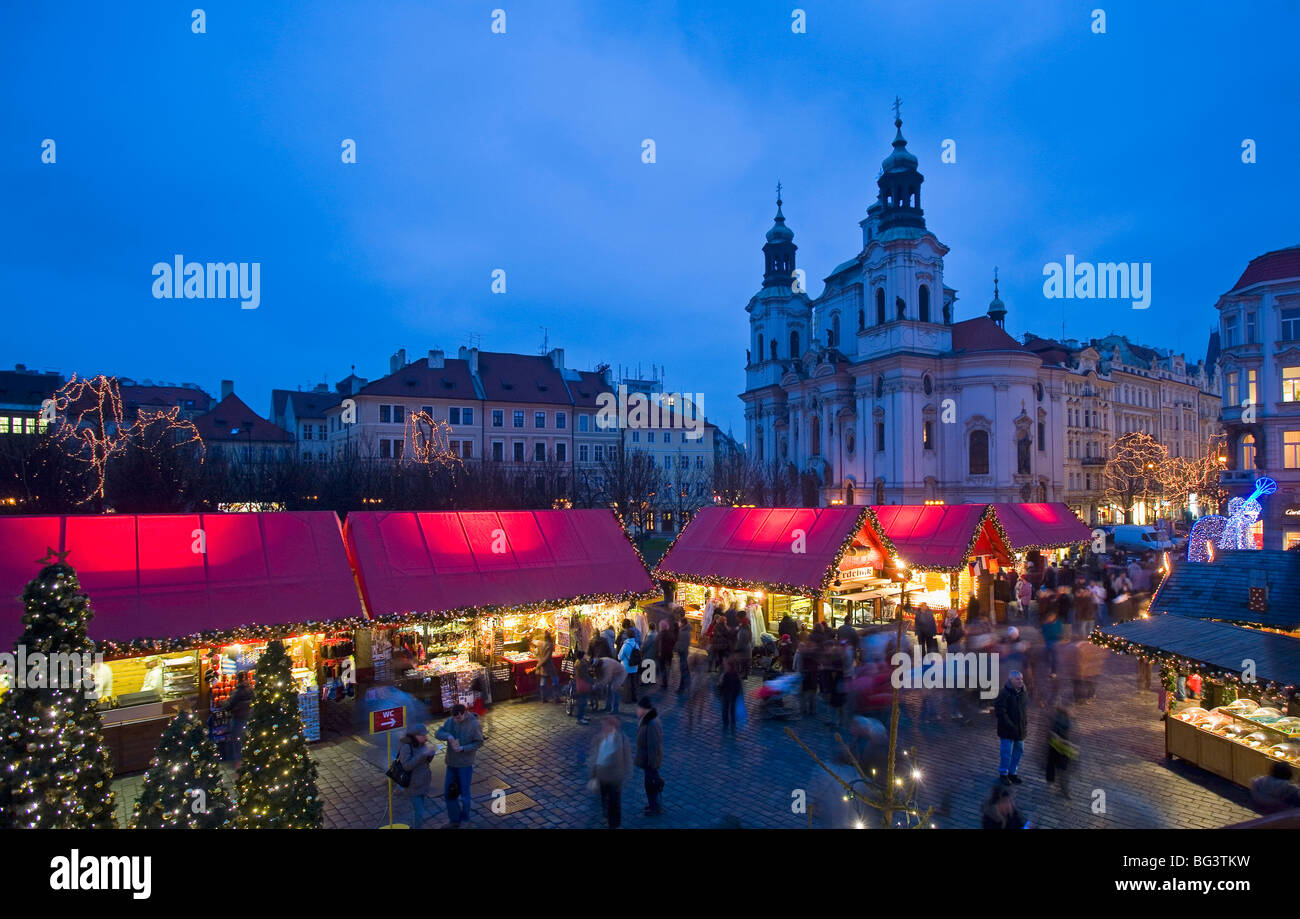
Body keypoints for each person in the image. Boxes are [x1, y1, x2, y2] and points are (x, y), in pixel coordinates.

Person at [434, 702, 483, 827]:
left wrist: (463, 748)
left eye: (458, 717)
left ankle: (465, 819)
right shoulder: (450, 721)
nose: (456, 720)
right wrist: (448, 736)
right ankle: (454, 819)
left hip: (465, 764)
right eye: (454, 718)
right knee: (448, 793)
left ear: (465, 713)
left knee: (464, 795)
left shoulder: (474, 724)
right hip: (451, 762)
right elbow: (438, 733)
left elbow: (478, 743)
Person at [589, 716, 632, 828]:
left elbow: (627, 758)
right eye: (602, 725)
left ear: (612, 726)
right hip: (602, 776)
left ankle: (614, 823)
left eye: (605, 725)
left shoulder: (621, 739)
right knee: (604, 799)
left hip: (615, 777)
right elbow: (595, 757)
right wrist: (593, 774)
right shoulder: (599, 738)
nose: (603, 727)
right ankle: (608, 816)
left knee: (615, 802)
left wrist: (627, 774)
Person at [396, 723, 437, 827]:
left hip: (423, 782)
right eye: (423, 735)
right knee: (419, 812)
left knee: (419, 810)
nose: (425, 737)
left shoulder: (422, 744)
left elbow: (425, 762)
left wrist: (431, 754)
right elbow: (406, 766)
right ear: (415, 736)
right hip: (413, 784)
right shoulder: (406, 747)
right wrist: (422, 755)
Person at [994, 671, 1028, 786]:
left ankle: (1012, 773)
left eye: (1021, 678)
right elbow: (1000, 712)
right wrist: (1010, 724)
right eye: (1018, 679)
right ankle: (1003, 774)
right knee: (1006, 753)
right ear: (1011, 680)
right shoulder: (1004, 693)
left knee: (1019, 750)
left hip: (1020, 728)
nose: (1021, 681)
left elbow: (1023, 710)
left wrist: (1024, 723)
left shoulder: (1023, 692)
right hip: (1007, 730)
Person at [634, 697, 664, 816]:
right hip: (647, 759)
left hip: (650, 761)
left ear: (644, 709)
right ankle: (653, 805)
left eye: (638, 708)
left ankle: (655, 807)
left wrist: (652, 764)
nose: (637, 711)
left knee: (650, 784)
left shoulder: (651, 723)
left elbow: (654, 745)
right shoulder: (646, 720)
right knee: (650, 783)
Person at [1045, 704, 1076, 797]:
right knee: (1063, 770)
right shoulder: (1066, 720)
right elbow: (1060, 735)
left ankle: (1051, 780)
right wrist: (1071, 744)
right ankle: (1065, 791)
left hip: (1054, 746)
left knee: (1052, 764)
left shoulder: (1055, 717)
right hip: (1063, 748)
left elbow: (1050, 732)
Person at [224, 671, 254, 765]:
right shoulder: (251, 690)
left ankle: (238, 761)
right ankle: (248, 758)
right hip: (248, 717)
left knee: (236, 739)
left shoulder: (237, 692)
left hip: (238, 718)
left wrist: (223, 703)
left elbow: (229, 706)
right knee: (245, 738)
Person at [719, 658, 743, 733]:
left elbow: (722, 685)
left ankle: (727, 723)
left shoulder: (726, 675)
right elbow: (739, 686)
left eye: (726, 665)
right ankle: (731, 722)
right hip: (732, 695)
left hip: (727, 695)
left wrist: (720, 687)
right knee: (731, 709)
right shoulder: (735, 675)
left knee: (726, 709)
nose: (725, 666)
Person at [618, 628, 641, 704]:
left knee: (627, 684)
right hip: (634, 667)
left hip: (626, 667)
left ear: (627, 636)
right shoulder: (636, 644)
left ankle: (627, 699)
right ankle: (634, 698)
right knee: (634, 683)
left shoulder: (625, 645)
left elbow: (620, 657)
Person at [534, 630, 558, 702]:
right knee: (555, 679)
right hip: (548, 664)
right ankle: (556, 696)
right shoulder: (550, 645)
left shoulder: (539, 643)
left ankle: (543, 697)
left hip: (542, 665)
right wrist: (540, 664)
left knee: (543, 680)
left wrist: (539, 663)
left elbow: (533, 641)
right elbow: (547, 657)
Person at [573, 649, 594, 724]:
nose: (586, 655)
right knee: (582, 701)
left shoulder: (579, 662)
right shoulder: (582, 664)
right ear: (582, 656)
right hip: (583, 684)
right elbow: (585, 675)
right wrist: (591, 681)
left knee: (583, 701)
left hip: (581, 683)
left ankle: (582, 715)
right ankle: (580, 718)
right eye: (585, 655)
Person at [674, 616, 692, 696]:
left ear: (683, 623)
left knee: (683, 670)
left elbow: (681, 644)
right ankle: (686, 686)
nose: (679, 623)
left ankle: (684, 687)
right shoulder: (686, 631)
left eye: (680, 622)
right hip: (684, 653)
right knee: (685, 670)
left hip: (682, 653)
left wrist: (676, 647)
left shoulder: (683, 632)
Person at [733, 613, 753, 679]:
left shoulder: (743, 631)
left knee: (742, 664)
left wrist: (736, 649)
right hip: (747, 649)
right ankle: (744, 675)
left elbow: (741, 641)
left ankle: (743, 676)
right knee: (745, 664)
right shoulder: (747, 627)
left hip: (743, 650)